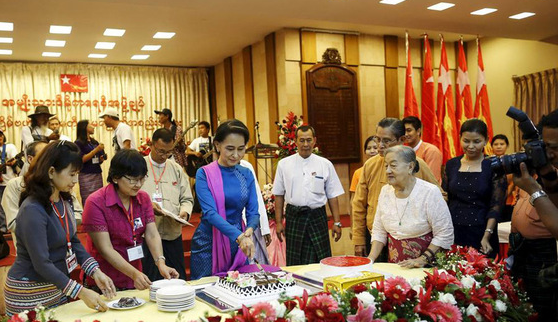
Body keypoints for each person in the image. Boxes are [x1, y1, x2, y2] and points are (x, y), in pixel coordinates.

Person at [4, 141, 116, 315]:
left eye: (77, 174)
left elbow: (72, 242)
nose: (75, 180)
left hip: (57, 287)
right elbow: (41, 263)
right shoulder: (33, 209)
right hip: (29, 293)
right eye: (71, 174)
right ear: (51, 172)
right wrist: (80, 292)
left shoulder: (64, 200)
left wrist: (96, 271)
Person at [81, 149, 179, 290]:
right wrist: (134, 274)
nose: (138, 184)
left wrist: (161, 263)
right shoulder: (96, 202)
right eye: (132, 179)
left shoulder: (143, 198)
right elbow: (105, 249)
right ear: (115, 177)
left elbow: (151, 234)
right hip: (104, 279)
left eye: (142, 178)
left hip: (134, 275)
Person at [509, 109, 558, 322]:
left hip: (546, 251)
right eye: (544, 147)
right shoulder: (549, 169)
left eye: (553, 148)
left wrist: (534, 188)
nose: (548, 154)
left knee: (546, 310)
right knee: (526, 305)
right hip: (525, 248)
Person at [352, 118, 443, 259]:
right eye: (377, 139)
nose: (380, 146)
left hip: (411, 242)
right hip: (375, 237)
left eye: (386, 141)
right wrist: (359, 240)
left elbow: (440, 196)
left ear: (402, 139)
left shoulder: (416, 164)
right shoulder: (370, 165)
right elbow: (359, 205)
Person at [190, 119, 261, 279]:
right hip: (208, 242)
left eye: (241, 149)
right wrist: (240, 236)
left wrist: (248, 232)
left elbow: (253, 212)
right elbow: (209, 213)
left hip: (239, 243)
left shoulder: (246, 174)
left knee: (240, 288)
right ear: (217, 145)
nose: (236, 155)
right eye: (230, 149)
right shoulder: (204, 173)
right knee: (206, 289)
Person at [368, 146, 454, 268]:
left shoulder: (429, 192)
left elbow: (444, 233)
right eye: (386, 166)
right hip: (395, 266)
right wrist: (370, 259)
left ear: (410, 167)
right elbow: (379, 230)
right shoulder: (385, 191)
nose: (387, 171)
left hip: (427, 265)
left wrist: (422, 259)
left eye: (393, 166)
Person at [273, 125, 344, 266]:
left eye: (309, 140)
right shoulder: (284, 164)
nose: (305, 144)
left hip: (317, 216)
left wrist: (337, 222)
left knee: (320, 259)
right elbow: (279, 195)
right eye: (302, 140)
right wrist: (279, 222)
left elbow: (332, 195)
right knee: (295, 260)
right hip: (295, 216)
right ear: (296, 141)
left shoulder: (325, 164)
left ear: (314, 141)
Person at [442, 118, 507, 258]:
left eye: (476, 142)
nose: (471, 146)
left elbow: (496, 206)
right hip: (454, 231)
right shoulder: (451, 165)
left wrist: (487, 235)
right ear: (459, 138)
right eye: (466, 141)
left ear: (486, 140)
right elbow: (445, 199)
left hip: (482, 232)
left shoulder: (493, 166)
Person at [3, 141, 84, 250]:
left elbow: (78, 214)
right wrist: (51, 225)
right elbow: (14, 224)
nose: (49, 159)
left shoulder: (61, 182)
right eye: (43, 155)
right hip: (33, 251)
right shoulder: (16, 185)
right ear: (31, 159)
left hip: (63, 250)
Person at [139, 129, 194, 280]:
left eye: (168, 153)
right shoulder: (140, 166)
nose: (164, 156)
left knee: (177, 278)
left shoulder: (176, 168)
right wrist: (148, 206)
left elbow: (187, 199)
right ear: (151, 144)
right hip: (147, 234)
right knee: (150, 279)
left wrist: (184, 213)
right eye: (161, 151)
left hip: (172, 233)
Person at [403, 116, 443, 183]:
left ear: (418, 131)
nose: (406, 134)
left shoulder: (431, 151)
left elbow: (431, 181)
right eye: (404, 131)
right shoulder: (403, 152)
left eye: (409, 130)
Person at [75, 120, 106, 203]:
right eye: (90, 125)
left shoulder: (94, 142)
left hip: (97, 174)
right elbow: (82, 159)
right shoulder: (78, 143)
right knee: (88, 199)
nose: (93, 126)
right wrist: (96, 150)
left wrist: (102, 158)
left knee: (99, 199)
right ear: (85, 127)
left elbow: (98, 158)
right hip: (86, 175)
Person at [491, 134, 516, 222]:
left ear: (507, 146)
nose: (499, 147)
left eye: (502, 144)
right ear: (492, 146)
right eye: (496, 144)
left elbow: (512, 183)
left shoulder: (511, 162)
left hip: (508, 202)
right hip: (491, 202)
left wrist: (502, 197)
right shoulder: (487, 162)